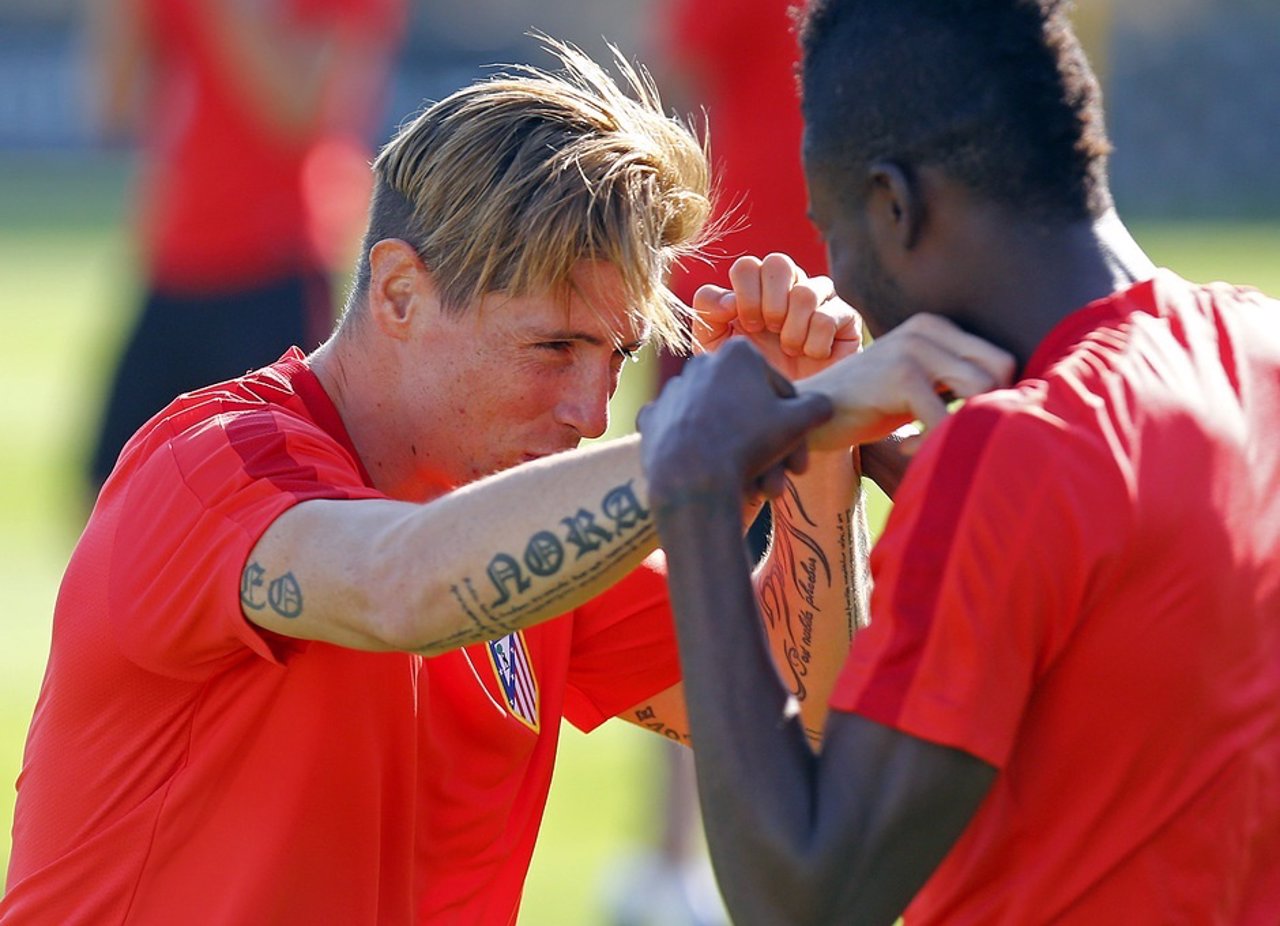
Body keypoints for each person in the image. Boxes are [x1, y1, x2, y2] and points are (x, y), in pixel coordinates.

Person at [1, 41, 869, 925]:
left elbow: (808, 723)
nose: (592, 412)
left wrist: (819, 447)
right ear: (399, 293)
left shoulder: (523, 508)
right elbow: (398, 588)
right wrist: (702, 449)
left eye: (619, 357)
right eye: (554, 348)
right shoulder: (216, 464)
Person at [638, 0, 1280, 923]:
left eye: (835, 231)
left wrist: (696, 490)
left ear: (896, 206)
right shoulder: (1251, 346)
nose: (841, 275)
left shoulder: (1019, 452)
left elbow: (804, 896)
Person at [84, 0, 405, 491]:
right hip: (176, 258)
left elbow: (299, 114)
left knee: (274, 486)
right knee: (113, 484)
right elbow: (112, 110)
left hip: (276, 262)